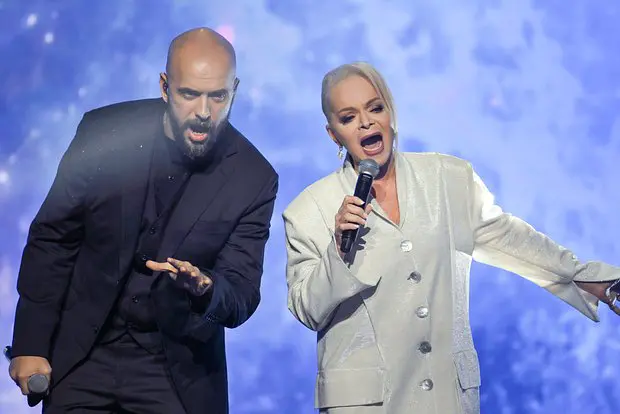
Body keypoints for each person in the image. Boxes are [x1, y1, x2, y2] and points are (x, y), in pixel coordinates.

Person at [282, 61, 620, 414]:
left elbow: (511, 240)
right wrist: (338, 250)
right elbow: (307, 309)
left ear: (390, 112)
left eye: (375, 107)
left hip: (447, 396)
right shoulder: (309, 210)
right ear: (333, 134)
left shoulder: (449, 178)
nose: (366, 122)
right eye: (349, 117)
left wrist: (586, 277)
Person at [8, 27, 278, 414]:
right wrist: (30, 344)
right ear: (165, 87)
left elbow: (241, 293)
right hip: (84, 355)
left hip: (175, 369)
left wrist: (204, 287)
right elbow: (54, 238)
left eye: (218, 96)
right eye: (190, 94)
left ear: (234, 90)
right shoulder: (105, 133)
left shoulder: (253, 177)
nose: (204, 112)